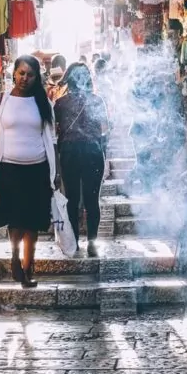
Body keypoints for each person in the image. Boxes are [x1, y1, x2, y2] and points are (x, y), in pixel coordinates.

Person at [0, 55, 57, 288]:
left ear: (37, 78)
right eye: (21, 73)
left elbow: (52, 140)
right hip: (9, 170)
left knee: (33, 222)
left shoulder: (44, 103)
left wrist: (57, 175)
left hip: (38, 170)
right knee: (15, 221)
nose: (25, 78)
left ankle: (28, 268)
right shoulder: (0, 99)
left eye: (30, 74)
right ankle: (15, 258)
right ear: (14, 73)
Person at [54, 62, 109, 257]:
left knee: (72, 199)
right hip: (93, 152)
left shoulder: (60, 104)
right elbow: (105, 129)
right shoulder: (97, 100)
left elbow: (55, 131)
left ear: (68, 79)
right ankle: (92, 243)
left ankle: (74, 241)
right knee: (92, 200)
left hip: (69, 153)